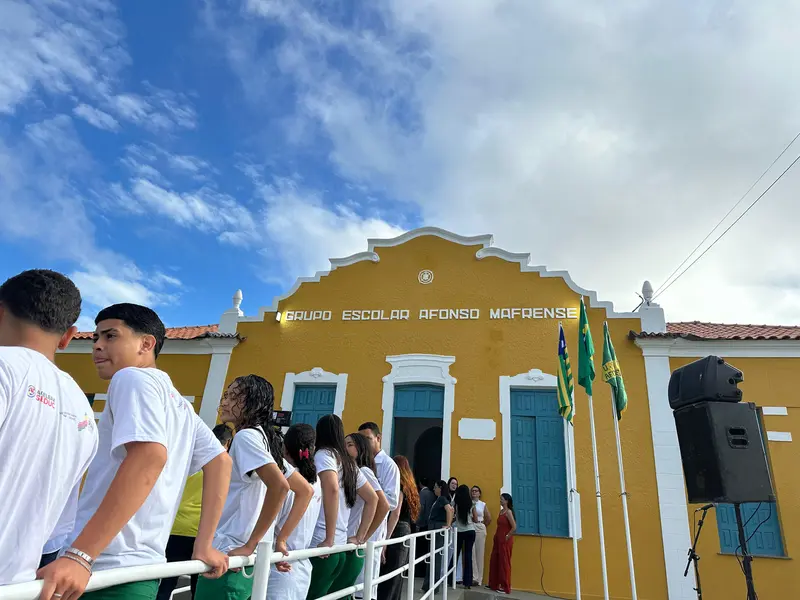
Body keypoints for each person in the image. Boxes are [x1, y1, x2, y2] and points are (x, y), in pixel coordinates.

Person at [40, 303, 233, 600]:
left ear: (146, 343)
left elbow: (149, 456)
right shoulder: (179, 404)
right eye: (96, 339)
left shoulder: (131, 378)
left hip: (101, 567)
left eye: (111, 336)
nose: (98, 347)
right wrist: (203, 544)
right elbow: (220, 461)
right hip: (143, 569)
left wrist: (81, 554)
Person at [0, 270, 98, 586]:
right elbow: (57, 530)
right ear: (69, 336)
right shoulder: (82, 408)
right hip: (20, 583)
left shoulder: (4, 368)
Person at [195, 375, 297, 600]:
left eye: (234, 396)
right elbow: (302, 490)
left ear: (253, 403)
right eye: (226, 395)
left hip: (230, 552)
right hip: (244, 558)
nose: (225, 402)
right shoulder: (265, 438)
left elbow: (280, 487)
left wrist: (251, 544)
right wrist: (274, 541)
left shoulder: (246, 437)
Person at [156, 424, 234, 600]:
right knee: (196, 587)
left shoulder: (190, 459)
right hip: (201, 532)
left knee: (166, 584)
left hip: (175, 527)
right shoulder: (223, 467)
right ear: (228, 443)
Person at [307, 415, 378, 600]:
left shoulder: (324, 455)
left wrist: (328, 538)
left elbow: (331, 488)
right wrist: (361, 535)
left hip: (323, 543)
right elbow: (373, 499)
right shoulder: (348, 463)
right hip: (340, 546)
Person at [267, 423, 322, 600]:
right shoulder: (317, 481)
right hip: (301, 563)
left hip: (280, 563)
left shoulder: (285, 483)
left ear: (284, 448)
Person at [340, 433, 388, 599]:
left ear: (360, 449)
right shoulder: (352, 472)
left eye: (350, 445)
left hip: (354, 544)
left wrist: (362, 536)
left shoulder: (364, 472)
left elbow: (384, 504)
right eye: (344, 444)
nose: (345, 448)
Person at [357, 422, 400, 599]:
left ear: (378, 438)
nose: (364, 444)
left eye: (368, 439)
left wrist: (372, 492)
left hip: (373, 531)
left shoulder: (389, 466)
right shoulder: (358, 462)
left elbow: (391, 501)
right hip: (354, 526)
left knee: (367, 582)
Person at [377, 456, 420, 600]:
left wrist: (385, 541)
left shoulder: (399, 486)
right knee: (397, 574)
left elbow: (395, 513)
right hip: (406, 528)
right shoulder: (410, 487)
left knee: (388, 574)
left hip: (396, 528)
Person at [421, 481, 453, 594]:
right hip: (433, 527)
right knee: (432, 556)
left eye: (435, 487)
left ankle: (432, 585)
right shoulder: (438, 499)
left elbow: (449, 509)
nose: (434, 489)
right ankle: (428, 585)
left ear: (440, 488)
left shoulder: (442, 499)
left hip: (437, 527)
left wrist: (448, 525)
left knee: (435, 557)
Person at [488, 493, 517, 594]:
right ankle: (495, 583)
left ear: (506, 501)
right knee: (495, 560)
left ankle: (505, 586)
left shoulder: (508, 512)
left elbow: (514, 527)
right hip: (498, 539)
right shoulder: (501, 512)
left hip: (505, 540)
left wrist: (507, 536)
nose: (500, 500)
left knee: (504, 562)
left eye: (502, 499)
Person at [452, 485, 477, 590]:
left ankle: (450, 579)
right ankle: (467, 583)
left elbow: (451, 513)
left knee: (455, 555)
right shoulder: (472, 504)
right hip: (470, 531)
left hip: (459, 531)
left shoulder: (455, 503)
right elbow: (475, 519)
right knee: (468, 556)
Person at [415, 478, 436, 582]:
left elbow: (421, 508)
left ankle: (419, 572)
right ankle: (424, 572)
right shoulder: (432, 494)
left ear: (420, 483)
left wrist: (417, 522)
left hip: (423, 524)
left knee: (419, 549)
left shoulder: (422, 494)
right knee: (427, 549)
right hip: (430, 524)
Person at [471, 486, 492, 587]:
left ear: (479, 493)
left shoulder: (482, 504)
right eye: (473, 491)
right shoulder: (469, 503)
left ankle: (479, 579)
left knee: (480, 553)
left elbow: (488, 518)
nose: (474, 492)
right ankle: (473, 577)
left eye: (476, 491)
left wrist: (482, 525)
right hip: (470, 527)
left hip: (479, 526)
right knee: (472, 553)